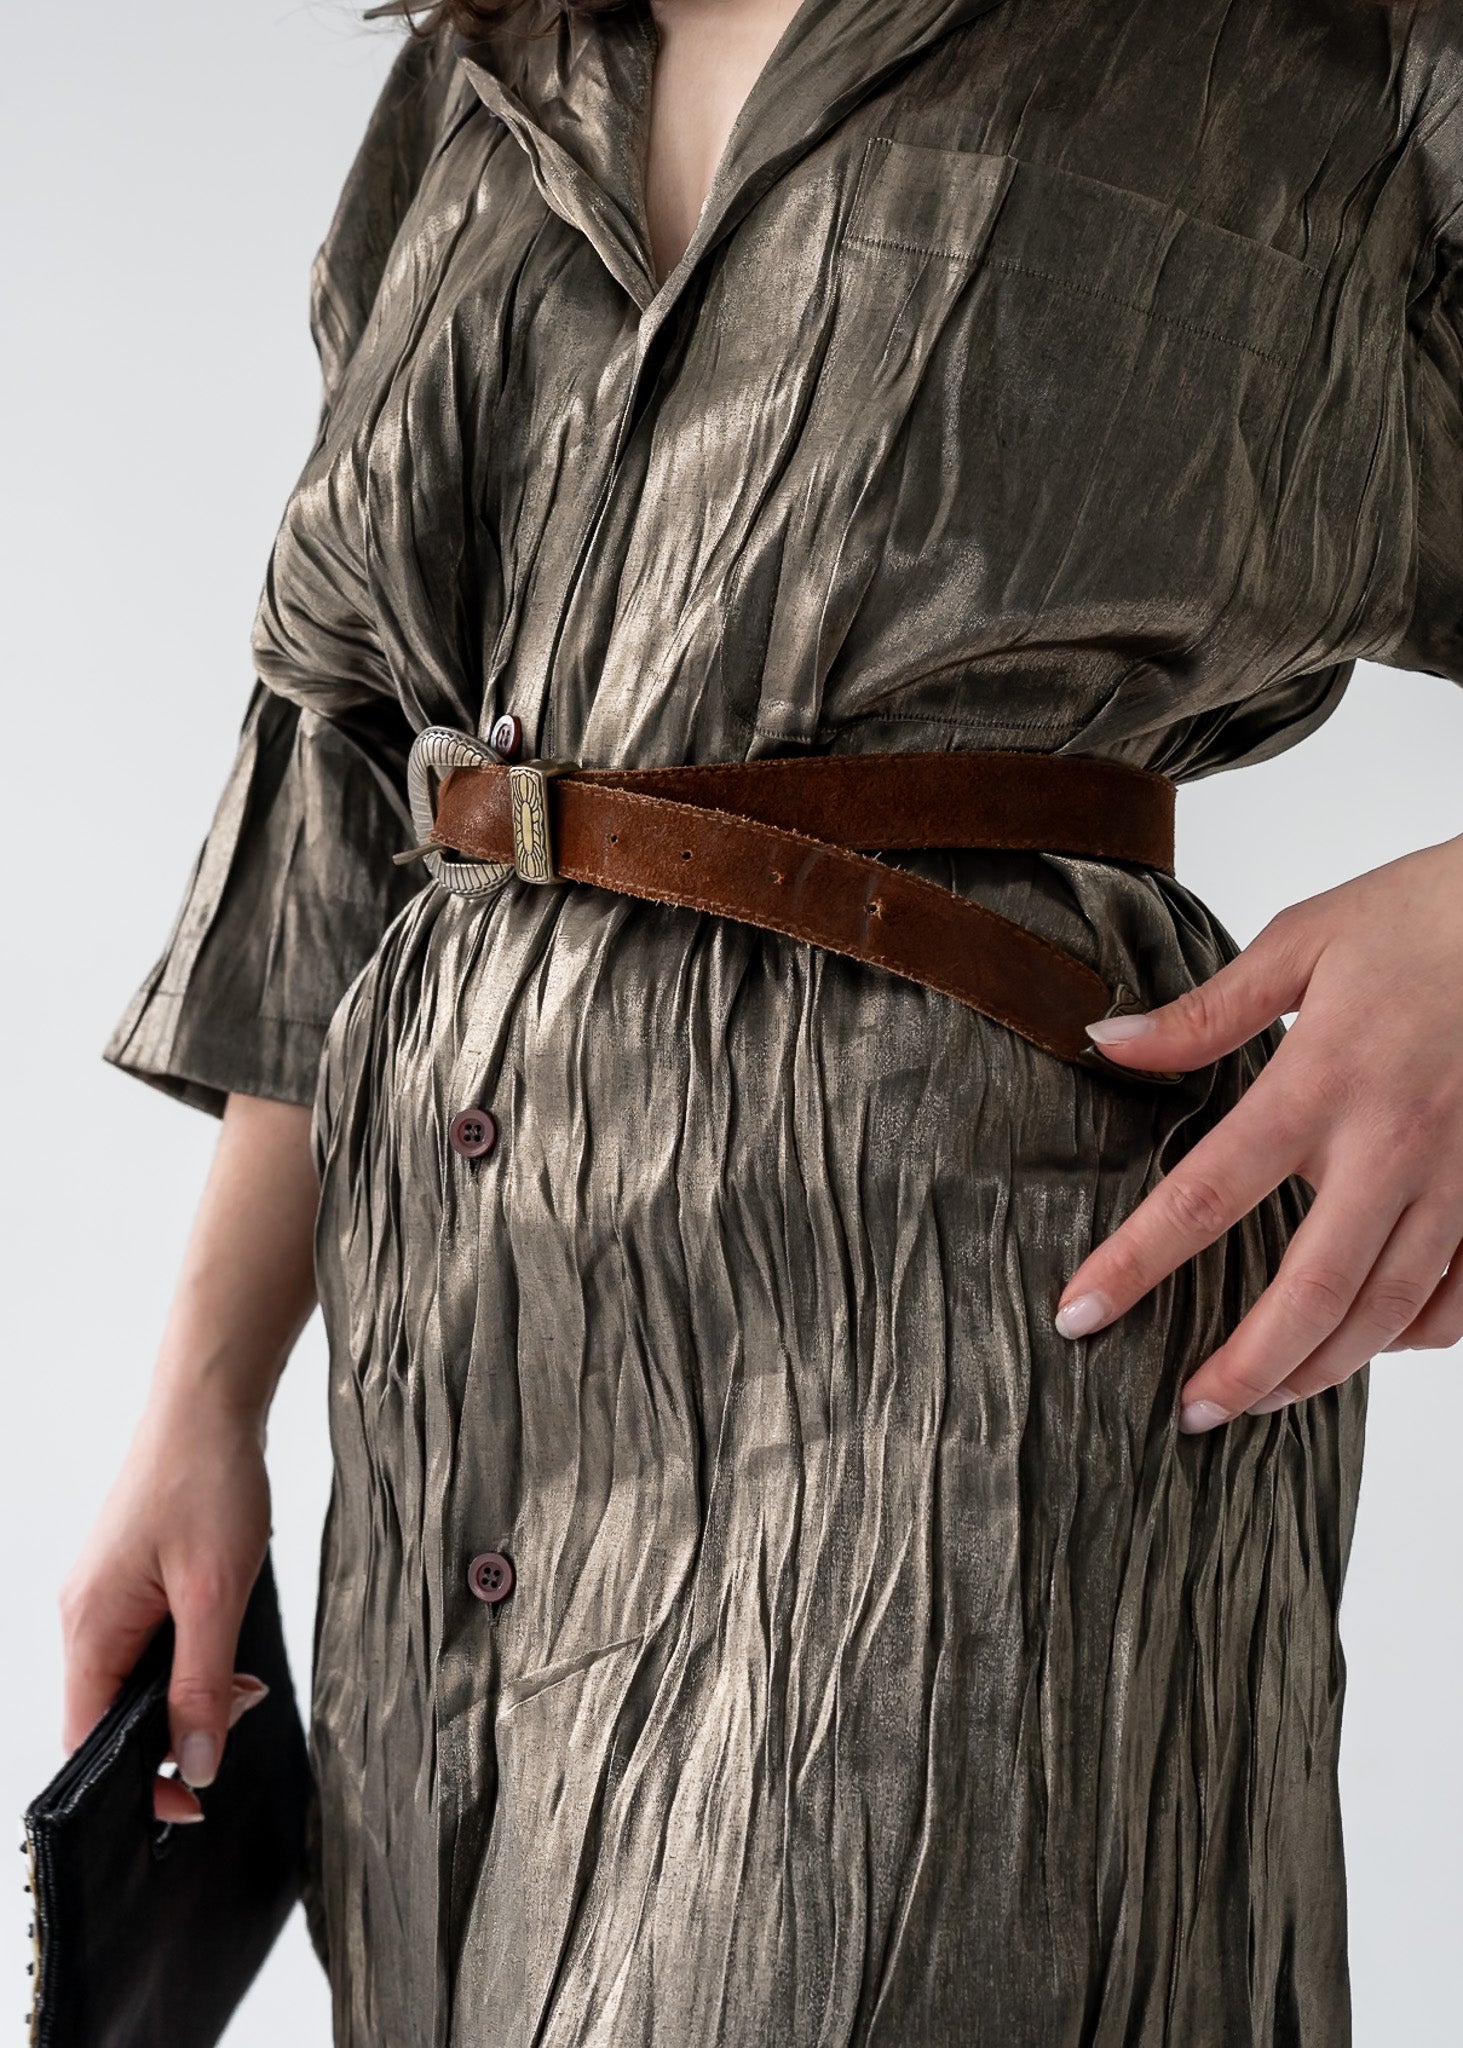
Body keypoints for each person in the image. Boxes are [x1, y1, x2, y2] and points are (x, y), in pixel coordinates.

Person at [61, 0, 1463, 2041]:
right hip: (460, 1381)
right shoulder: (485, 66)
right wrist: (199, 1396)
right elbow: (342, 761)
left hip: (969, 1328)